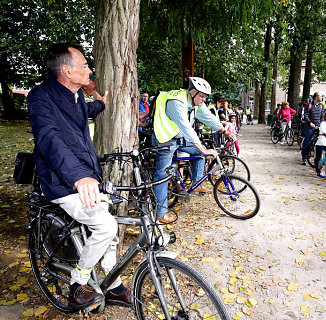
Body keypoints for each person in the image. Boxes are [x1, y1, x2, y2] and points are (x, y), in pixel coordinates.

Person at [27, 43, 131, 311]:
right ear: (66, 70)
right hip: (63, 181)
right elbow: (49, 138)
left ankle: (114, 287)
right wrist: (78, 177)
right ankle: (77, 285)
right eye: (84, 66)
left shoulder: (75, 98)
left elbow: (86, 112)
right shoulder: (41, 98)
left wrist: (100, 104)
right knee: (106, 227)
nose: (89, 70)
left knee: (110, 228)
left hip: (86, 176)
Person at [151, 77, 235, 223]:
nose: (204, 100)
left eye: (205, 97)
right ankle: (161, 213)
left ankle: (196, 184)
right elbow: (186, 127)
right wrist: (202, 149)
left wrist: (224, 131)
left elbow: (208, 118)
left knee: (200, 154)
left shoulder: (195, 102)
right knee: (162, 175)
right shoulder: (177, 102)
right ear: (193, 93)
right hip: (164, 139)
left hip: (178, 138)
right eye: (202, 96)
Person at [301, 92, 325, 165]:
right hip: (310, 126)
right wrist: (310, 123)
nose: (321, 97)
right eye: (320, 96)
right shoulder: (309, 105)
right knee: (307, 141)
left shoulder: (321, 106)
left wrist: (321, 124)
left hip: (318, 127)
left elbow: (321, 116)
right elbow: (306, 115)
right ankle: (304, 157)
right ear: (316, 97)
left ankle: (318, 158)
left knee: (320, 142)